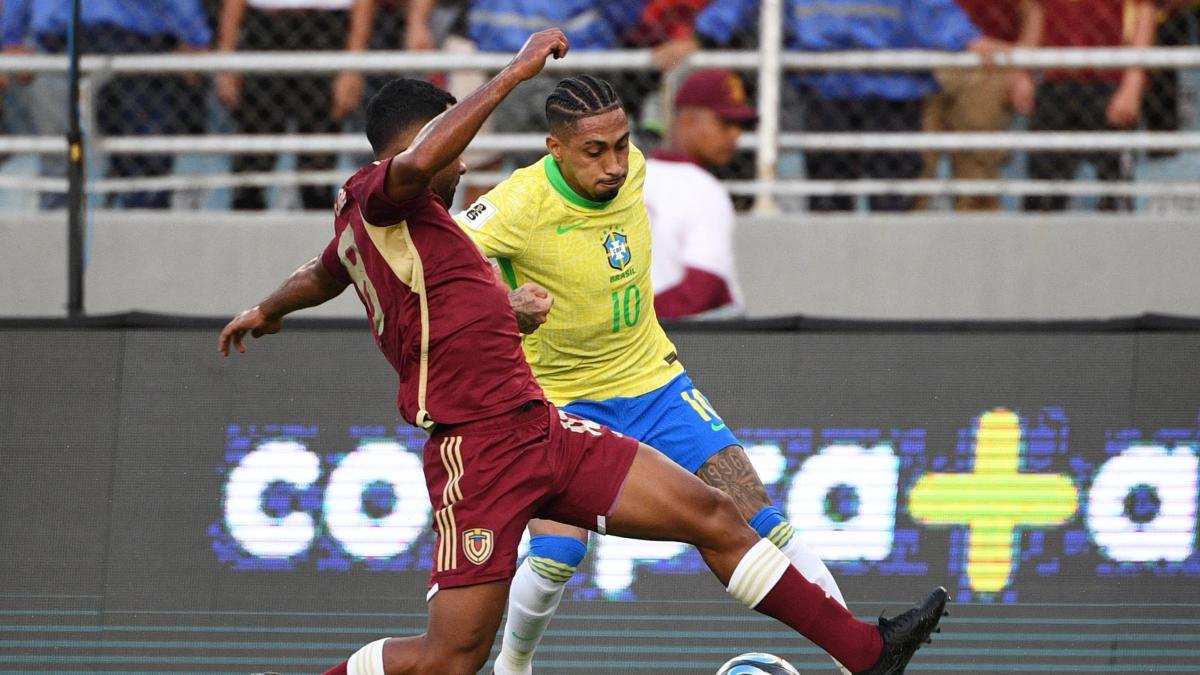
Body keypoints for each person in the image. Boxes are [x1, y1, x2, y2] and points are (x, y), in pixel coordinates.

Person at [218, 29, 948, 675]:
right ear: (416, 146)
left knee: (716, 513)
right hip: (477, 454)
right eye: (453, 150)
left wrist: (267, 307)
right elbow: (415, 170)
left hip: (544, 424)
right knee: (450, 658)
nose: (464, 167)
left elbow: (320, 273)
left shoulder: (377, 224)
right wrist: (513, 74)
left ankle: (867, 653)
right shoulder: (387, 193)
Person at [452, 74, 862, 675]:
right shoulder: (517, 203)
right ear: (554, 148)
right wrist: (501, 304)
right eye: (595, 151)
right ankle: (513, 669)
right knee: (557, 556)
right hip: (559, 403)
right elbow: (444, 262)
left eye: (622, 144)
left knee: (765, 521)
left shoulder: (634, 169)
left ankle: (864, 659)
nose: (615, 164)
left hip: (655, 384)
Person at [658, 0, 1003, 212]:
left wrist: (967, 38)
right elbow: (737, 5)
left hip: (891, 91)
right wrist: (700, 38)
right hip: (828, 90)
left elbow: (930, 7)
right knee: (827, 200)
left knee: (895, 201)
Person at [0, 0, 211, 208]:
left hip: (134, 47)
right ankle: (58, 233)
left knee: (143, 162)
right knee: (64, 159)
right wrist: (9, 39)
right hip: (58, 45)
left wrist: (195, 38)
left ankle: (143, 234)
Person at [214, 0, 376, 210]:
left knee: (317, 171)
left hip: (326, 29)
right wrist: (227, 58)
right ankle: (245, 237)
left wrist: (353, 67)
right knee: (252, 168)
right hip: (266, 29)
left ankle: (319, 237)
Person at [1019, 0, 1156, 211]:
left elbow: (1144, 14)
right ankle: (1041, 243)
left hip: (1110, 82)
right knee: (1042, 195)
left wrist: (1132, 85)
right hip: (1056, 82)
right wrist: (1024, 74)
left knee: (1115, 193)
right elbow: (1037, 13)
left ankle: (1117, 240)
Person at [645, 68, 752, 319]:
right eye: (725, 122)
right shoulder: (705, 189)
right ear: (687, 120)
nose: (736, 134)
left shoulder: (627, 177)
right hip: (697, 338)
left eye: (739, 125)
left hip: (633, 338)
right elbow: (703, 288)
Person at [919, 0, 1041, 211]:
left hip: (988, 65)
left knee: (977, 179)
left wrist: (1021, 69)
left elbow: (1034, 11)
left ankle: (980, 241)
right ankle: (901, 240)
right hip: (922, 64)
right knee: (914, 171)